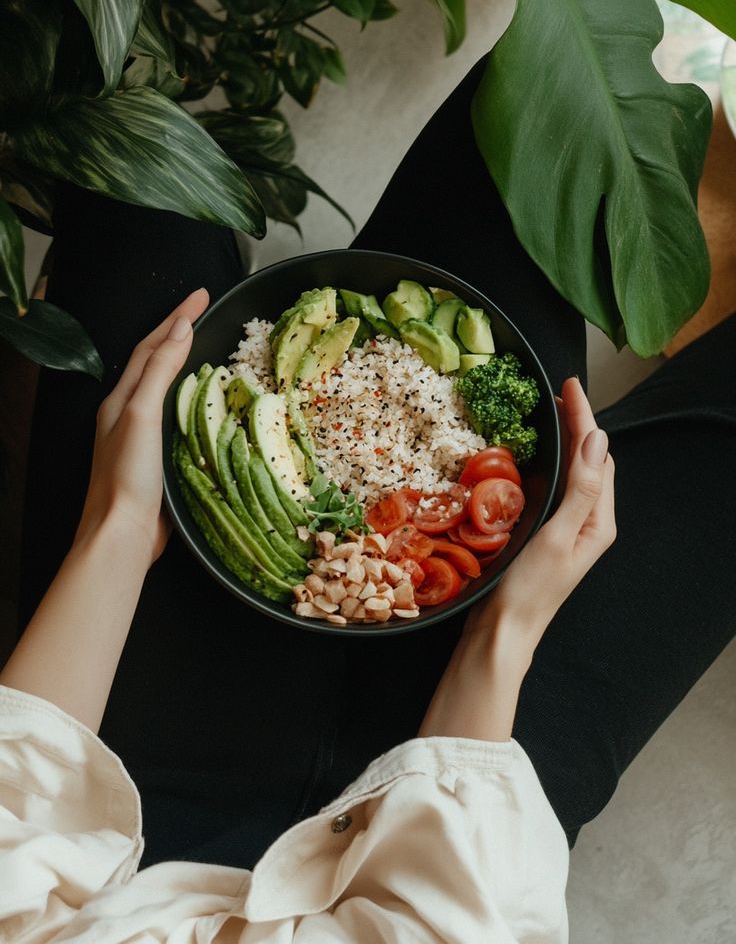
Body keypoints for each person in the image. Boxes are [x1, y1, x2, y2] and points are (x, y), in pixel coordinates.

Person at [1, 60, 735, 942]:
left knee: (133, 193)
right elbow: (456, 913)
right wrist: (506, 624)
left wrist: (117, 527)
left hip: (114, 804)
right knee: (538, 125)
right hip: (461, 833)